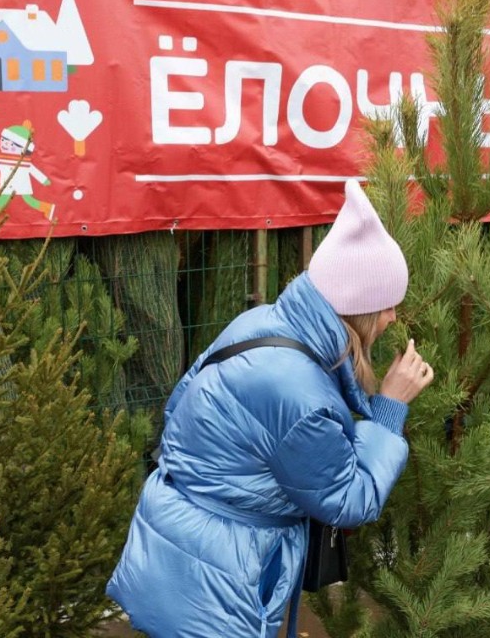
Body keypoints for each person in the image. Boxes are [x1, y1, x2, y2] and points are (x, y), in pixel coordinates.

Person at [107, 179, 433, 637]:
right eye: (387, 306)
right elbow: (348, 500)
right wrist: (389, 410)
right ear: (357, 308)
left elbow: (178, 403)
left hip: (171, 539)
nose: (393, 318)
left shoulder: (258, 322)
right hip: (221, 577)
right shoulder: (300, 397)